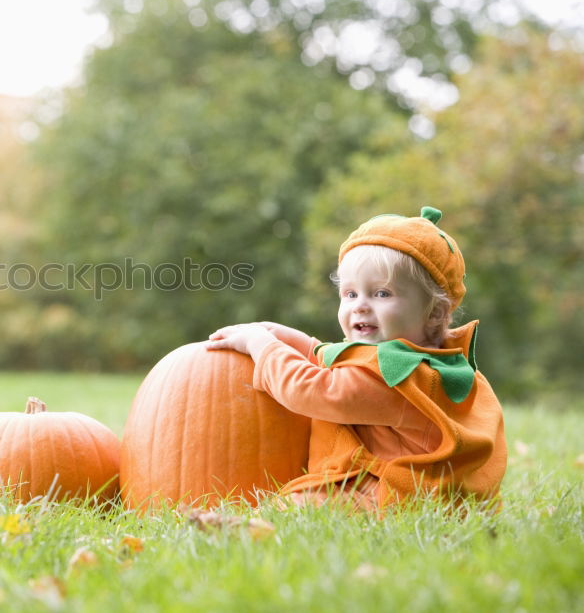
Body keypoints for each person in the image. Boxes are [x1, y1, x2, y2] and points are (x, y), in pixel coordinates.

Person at [205, 206, 507, 511]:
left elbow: (312, 389)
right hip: (427, 490)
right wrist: (290, 339)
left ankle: (242, 525)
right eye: (350, 294)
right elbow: (345, 362)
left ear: (434, 313)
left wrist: (263, 346)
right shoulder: (428, 362)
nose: (360, 306)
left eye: (382, 294)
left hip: (401, 495)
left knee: (297, 507)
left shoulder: (396, 376)